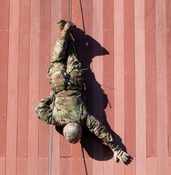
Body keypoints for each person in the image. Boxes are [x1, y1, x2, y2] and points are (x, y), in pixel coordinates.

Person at [34, 20, 131, 164]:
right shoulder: (56, 119)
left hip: (75, 82)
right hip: (58, 83)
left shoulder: (83, 118)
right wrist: (51, 98)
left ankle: (65, 33)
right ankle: (64, 34)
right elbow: (39, 109)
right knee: (57, 61)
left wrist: (116, 149)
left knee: (72, 57)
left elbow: (101, 131)